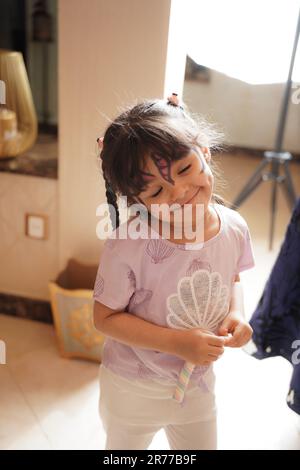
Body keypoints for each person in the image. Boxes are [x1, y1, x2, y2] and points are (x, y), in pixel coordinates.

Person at [93, 93, 255, 450]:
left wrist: (236, 313)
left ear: (205, 152)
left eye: (184, 169)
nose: (179, 192)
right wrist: (178, 343)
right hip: (132, 390)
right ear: (138, 202)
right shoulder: (129, 244)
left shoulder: (234, 227)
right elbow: (104, 318)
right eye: (156, 190)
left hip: (197, 388)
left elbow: (233, 278)